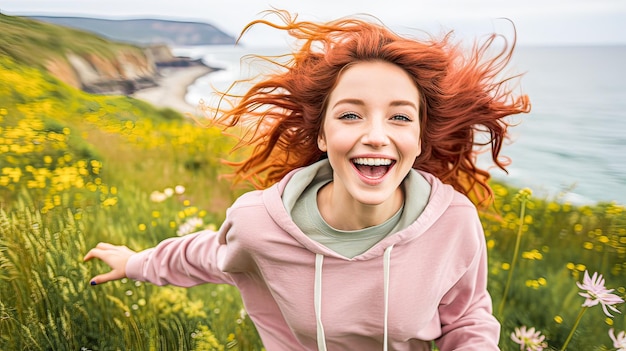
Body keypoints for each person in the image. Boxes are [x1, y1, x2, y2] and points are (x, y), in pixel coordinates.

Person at [84, 10, 530, 350]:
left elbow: (467, 314)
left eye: (399, 117)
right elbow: (209, 254)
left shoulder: (452, 222)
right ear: (322, 133)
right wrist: (137, 263)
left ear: (417, 138)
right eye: (351, 114)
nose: (375, 136)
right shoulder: (261, 223)